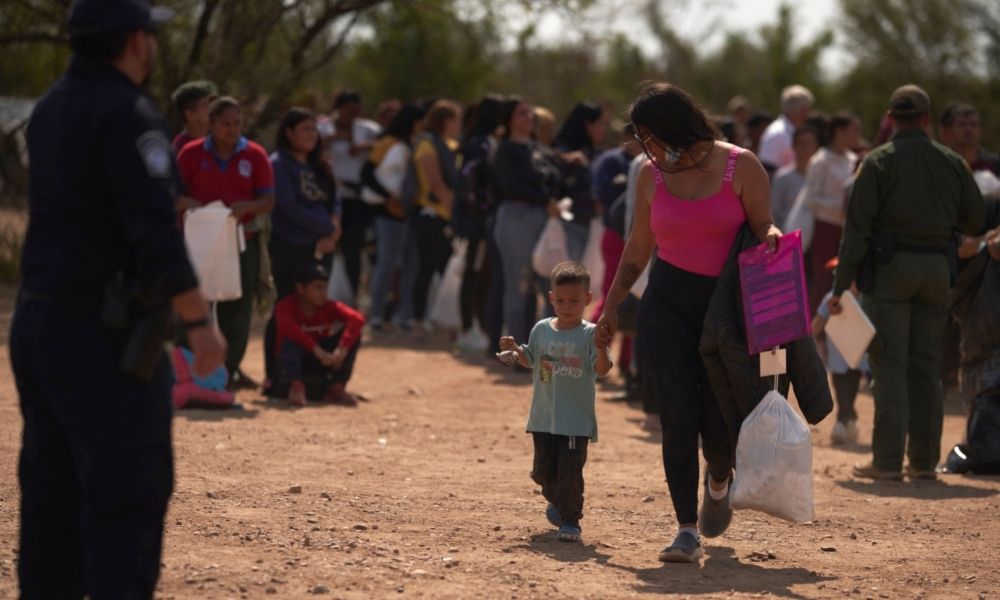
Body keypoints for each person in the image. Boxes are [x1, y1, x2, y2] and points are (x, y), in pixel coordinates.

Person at [10, 1, 226, 596]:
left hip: (40, 318)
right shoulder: (128, 113)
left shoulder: (50, 108)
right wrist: (198, 322)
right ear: (134, 41)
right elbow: (153, 229)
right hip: (103, 334)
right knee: (128, 491)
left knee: (52, 491)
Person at [597, 83, 781, 562]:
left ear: (674, 126)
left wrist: (772, 234)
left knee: (717, 421)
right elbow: (639, 246)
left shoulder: (741, 165)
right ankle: (685, 528)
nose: (646, 148)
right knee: (676, 416)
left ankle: (719, 479)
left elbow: (762, 224)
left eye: (650, 136)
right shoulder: (649, 175)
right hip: (667, 305)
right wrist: (611, 305)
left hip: (725, 310)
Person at [828, 84, 985, 481]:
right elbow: (974, 219)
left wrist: (840, 286)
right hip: (937, 270)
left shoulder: (877, 162)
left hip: (890, 273)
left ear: (890, 119)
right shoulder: (951, 161)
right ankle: (923, 462)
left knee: (890, 364)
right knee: (927, 365)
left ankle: (886, 462)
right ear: (927, 119)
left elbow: (856, 231)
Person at [498, 261, 613, 542]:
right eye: (560, 300)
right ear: (551, 298)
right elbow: (530, 358)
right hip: (543, 418)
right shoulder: (541, 329)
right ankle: (559, 502)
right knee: (542, 471)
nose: (567, 306)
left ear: (587, 299)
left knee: (570, 471)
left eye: (574, 301)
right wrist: (515, 350)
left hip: (576, 421)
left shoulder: (590, 334)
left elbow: (602, 369)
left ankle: (571, 521)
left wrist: (601, 349)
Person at [176, 96, 275, 389]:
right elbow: (172, 194)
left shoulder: (254, 155)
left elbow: (268, 200)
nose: (231, 130)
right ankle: (186, 369)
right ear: (211, 124)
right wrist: (191, 204)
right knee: (194, 303)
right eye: (225, 124)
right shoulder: (191, 153)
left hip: (242, 239)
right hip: (198, 242)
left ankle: (228, 371)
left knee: (237, 308)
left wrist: (248, 207)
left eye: (236, 123)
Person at [492, 98, 563, 345]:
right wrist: (544, 199)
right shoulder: (505, 150)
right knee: (519, 287)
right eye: (522, 113)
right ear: (509, 120)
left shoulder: (538, 149)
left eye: (530, 113)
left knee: (550, 286)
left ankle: (544, 348)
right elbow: (510, 186)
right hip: (517, 218)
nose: (529, 117)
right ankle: (515, 350)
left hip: (543, 219)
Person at [363, 104, 426, 330]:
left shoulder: (415, 145)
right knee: (386, 263)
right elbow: (367, 173)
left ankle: (404, 314)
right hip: (388, 214)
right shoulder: (387, 143)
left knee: (411, 264)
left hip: (409, 212)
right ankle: (376, 314)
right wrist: (388, 197)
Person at [269, 107, 340, 299]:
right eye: (305, 129)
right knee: (290, 303)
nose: (312, 134)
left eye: (314, 129)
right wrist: (328, 228)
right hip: (291, 246)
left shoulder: (320, 165)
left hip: (323, 247)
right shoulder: (278, 164)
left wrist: (333, 230)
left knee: (316, 304)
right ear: (289, 132)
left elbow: (334, 200)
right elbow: (289, 206)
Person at [590, 129, 642, 386]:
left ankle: (626, 363)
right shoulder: (614, 161)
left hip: (635, 241)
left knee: (635, 300)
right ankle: (591, 357)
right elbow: (601, 196)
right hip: (618, 238)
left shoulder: (649, 162)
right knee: (612, 299)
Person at [273, 264, 365, 406]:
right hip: (293, 365)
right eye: (317, 287)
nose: (323, 293)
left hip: (321, 362)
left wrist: (342, 348)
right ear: (301, 288)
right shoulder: (286, 306)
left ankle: (336, 387)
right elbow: (287, 327)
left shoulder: (328, 306)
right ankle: (295, 387)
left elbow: (357, 319)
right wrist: (316, 350)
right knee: (291, 340)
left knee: (354, 335)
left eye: (325, 288)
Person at [320, 90, 381, 302]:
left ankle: (351, 296)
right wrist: (333, 139)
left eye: (356, 111)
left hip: (356, 197)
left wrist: (361, 146)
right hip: (328, 195)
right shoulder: (324, 127)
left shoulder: (368, 129)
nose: (352, 116)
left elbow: (385, 144)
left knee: (353, 249)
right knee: (326, 246)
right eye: (348, 111)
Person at [454, 95, 503, 352]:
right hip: (478, 222)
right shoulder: (480, 144)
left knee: (482, 273)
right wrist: (481, 209)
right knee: (473, 272)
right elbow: (468, 180)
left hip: (482, 219)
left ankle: (478, 325)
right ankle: (467, 327)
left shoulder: (485, 141)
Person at [799, 113, 860, 314]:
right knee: (822, 278)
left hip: (847, 229)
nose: (857, 135)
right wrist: (839, 207)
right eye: (853, 130)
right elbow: (811, 198)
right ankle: (815, 326)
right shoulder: (821, 160)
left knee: (845, 279)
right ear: (839, 132)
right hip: (824, 227)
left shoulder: (853, 160)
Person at [410, 100, 462, 330]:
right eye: (456, 120)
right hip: (430, 215)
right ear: (444, 121)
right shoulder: (427, 145)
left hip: (444, 216)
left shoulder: (449, 145)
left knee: (445, 266)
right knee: (427, 267)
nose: (459, 125)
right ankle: (418, 319)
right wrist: (454, 212)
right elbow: (435, 183)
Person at [812, 258, 866, 444]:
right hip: (837, 358)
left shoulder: (865, 298)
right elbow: (818, 322)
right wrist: (806, 341)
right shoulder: (831, 298)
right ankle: (845, 423)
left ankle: (846, 421)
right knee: (842, 390)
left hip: (858, 357)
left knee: (850, 391)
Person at [554, 101, 607, 260]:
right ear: (588, 125)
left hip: (593, 223)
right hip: (569, 224)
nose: (603, 129)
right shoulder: (563, 153)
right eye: (600, 124)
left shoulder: (595, 153)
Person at [758, 85, 814, 175]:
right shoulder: (777, 133)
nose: (808, 114)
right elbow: (766, 170)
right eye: (805, 109)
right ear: (796, 109)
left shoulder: (791, 130)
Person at [771, 125, 819, 228]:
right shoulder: (782, 178)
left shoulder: (821, 178)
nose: (806, 148)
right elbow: (774, 213)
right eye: (802, 144)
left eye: (810, 144)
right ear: (793, 146)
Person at [938, 102, 1000, 176]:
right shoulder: (942, 161)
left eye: (973, 124)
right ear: (951, 130)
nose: (968, 129)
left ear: (980, 130)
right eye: (962, 125)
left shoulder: (994, 164)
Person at [170, 79, 217, 154]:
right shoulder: (180, 150)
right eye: (205, 104)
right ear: (190, 115)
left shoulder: (218, 142)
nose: (213, 108)